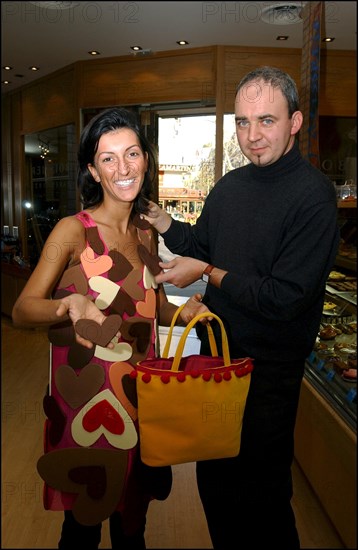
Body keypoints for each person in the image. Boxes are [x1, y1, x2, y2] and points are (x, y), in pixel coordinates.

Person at [141, 66, 340, 549]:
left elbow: (283, 299)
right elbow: (202, 244)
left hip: (268, 374)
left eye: (266, 121)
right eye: (242, 122)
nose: (252, 137)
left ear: (294, 122)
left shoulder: (314, 197)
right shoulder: (230, 187)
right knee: (216, 484)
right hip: (216, 361)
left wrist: (206, 274)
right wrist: (163, 220)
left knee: (263, 497)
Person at [12, 107, 209, 549]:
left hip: (139, 400)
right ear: (92, 170)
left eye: (132, 154)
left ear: (145, 160)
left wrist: (182, 312)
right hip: (85, 402)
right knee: (83, 524)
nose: (123, 168)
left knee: (131, 524)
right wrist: (70, 306)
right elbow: (24, 309)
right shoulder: (72, 232)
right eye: (108, 158)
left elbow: (149, 305)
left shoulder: (145, 233)